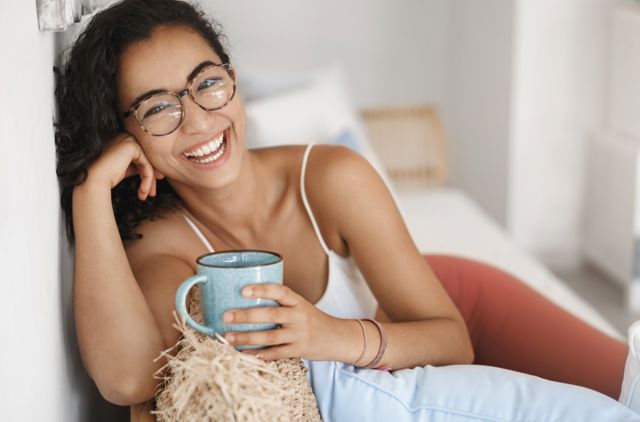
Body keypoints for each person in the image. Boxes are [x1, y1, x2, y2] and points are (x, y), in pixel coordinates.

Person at [54, 0, 640, 420]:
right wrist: (91, 191)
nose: (201, 120)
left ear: (232, 81)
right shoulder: (163, 245)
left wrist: (329, 335)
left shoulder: (332, 177)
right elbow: (128, 380)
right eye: (158, 107)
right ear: (124, 134)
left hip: (458, 299)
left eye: (206, 83)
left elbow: (452, 340)